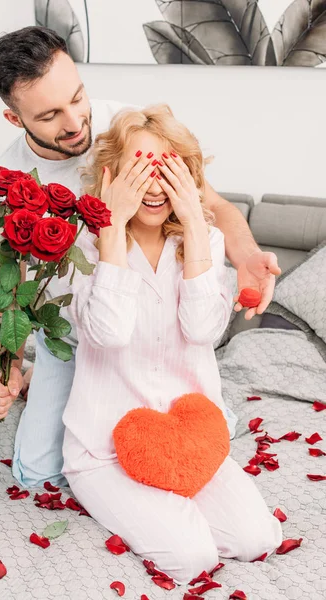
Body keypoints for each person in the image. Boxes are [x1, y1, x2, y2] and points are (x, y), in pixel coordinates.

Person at [0, 26, 281, 489]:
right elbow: (14, 288)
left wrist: (247, 255)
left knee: (192, 439)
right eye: (50, 115)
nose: (76, 122)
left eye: (78, 97)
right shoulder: (9, 182)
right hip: (76, 331)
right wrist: (10, 369)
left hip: (148, 325)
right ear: (13, 117)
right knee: (39, 473)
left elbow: (212, 204)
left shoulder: (126, 127)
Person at [56, 104, 283, 585]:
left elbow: (203, 330)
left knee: (257, 539)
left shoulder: (205, 241)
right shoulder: (82, 248)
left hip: (191, 437)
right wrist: (112, 228)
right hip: (106, 449)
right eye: (140, 170)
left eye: (167, 170)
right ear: (112, 175)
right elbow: (108, 332)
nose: (154, 185)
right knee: (189, 556)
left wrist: (198, 226)